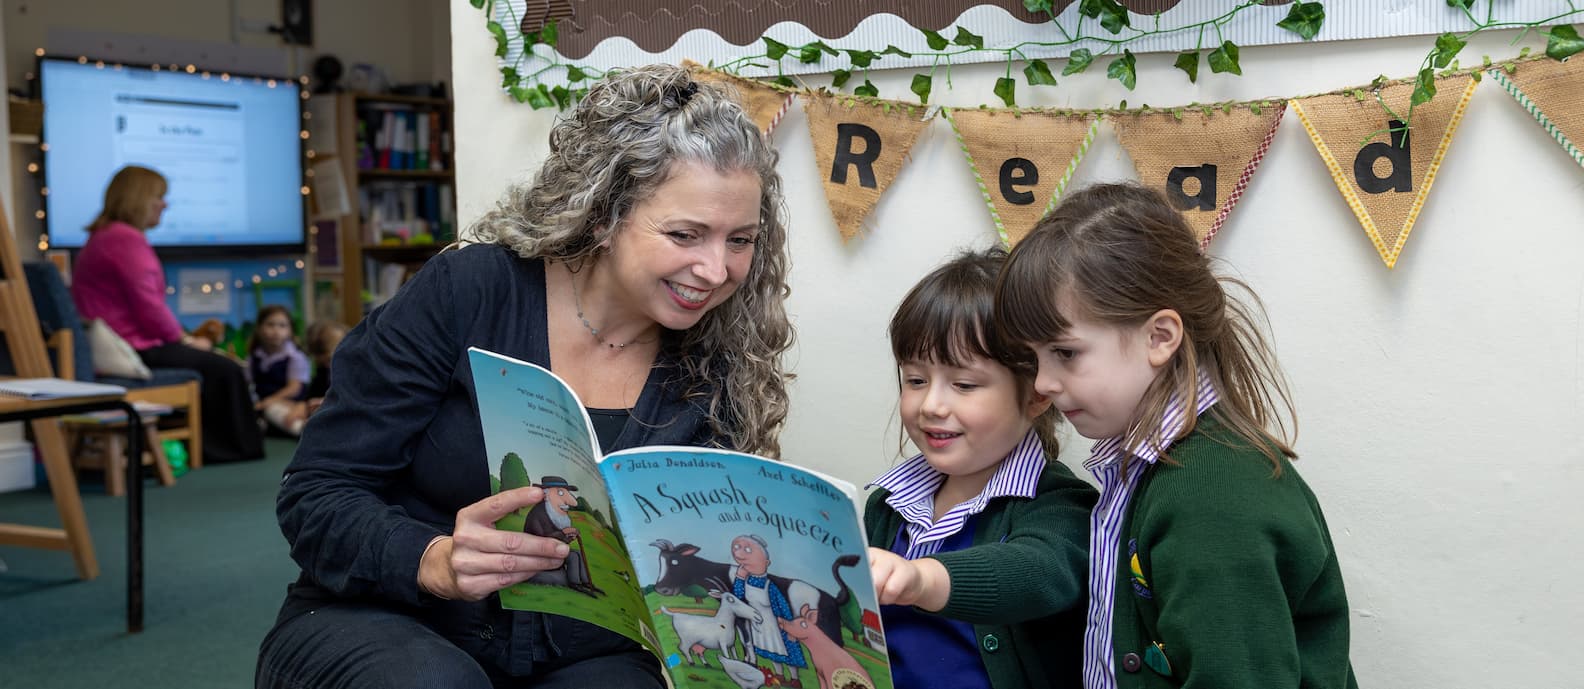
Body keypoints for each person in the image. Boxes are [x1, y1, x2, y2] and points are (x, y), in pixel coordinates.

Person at [256, 63, 794, 689]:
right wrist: (429, 559)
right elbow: (317, 490)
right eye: (685, 234)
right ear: (603, 214)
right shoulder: (470, 292)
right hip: (390, 616)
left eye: (741, 240)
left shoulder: (719, 356)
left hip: (587, 651)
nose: (715, 269)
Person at [993, 182, 1358, 689]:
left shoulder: (1210, 503)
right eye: (1034, 359)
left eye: (1066, 353)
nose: (1043, 383)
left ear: (1159, 337)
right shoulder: (1153, 469)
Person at [864, 247, 1097, 689]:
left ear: (1036, 395)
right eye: (915, 380)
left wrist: (922, 578)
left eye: (964, 384)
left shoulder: (1061, 504)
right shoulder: (886, 505)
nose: (931, 405)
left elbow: (1039, 573)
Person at [71, 165, 265, 463]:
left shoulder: (103, 236)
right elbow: (148, 306)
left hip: (121, 344)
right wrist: (184, 340)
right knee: (225, 369)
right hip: (133, 349)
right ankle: (231, 451)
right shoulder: (124, 239)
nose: (164, 204)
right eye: (158, 197)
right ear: (138, 198)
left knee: (213, 365)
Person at [730, 534, 806, 686]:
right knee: (771, 651)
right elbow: (738, 597)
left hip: (777, 625)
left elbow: (783, 606)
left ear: (767, 563)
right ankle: (779, 674)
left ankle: (794, 677)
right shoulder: (746, 581)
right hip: (760, 626)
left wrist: (790, 627)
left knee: (786, 651)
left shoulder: (769, 586)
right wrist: (739, 578)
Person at [247, 305, 310, 435]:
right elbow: (248, 383)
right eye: (270, 325)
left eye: (282, 326)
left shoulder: (295, 356)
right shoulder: (254, 357)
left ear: (290, 330)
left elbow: (294, 389)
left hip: (291, 404)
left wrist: (267, 402)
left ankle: (303, 430)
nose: (276, 331)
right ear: (259, 328)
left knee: (273, 409)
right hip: (262, 405)